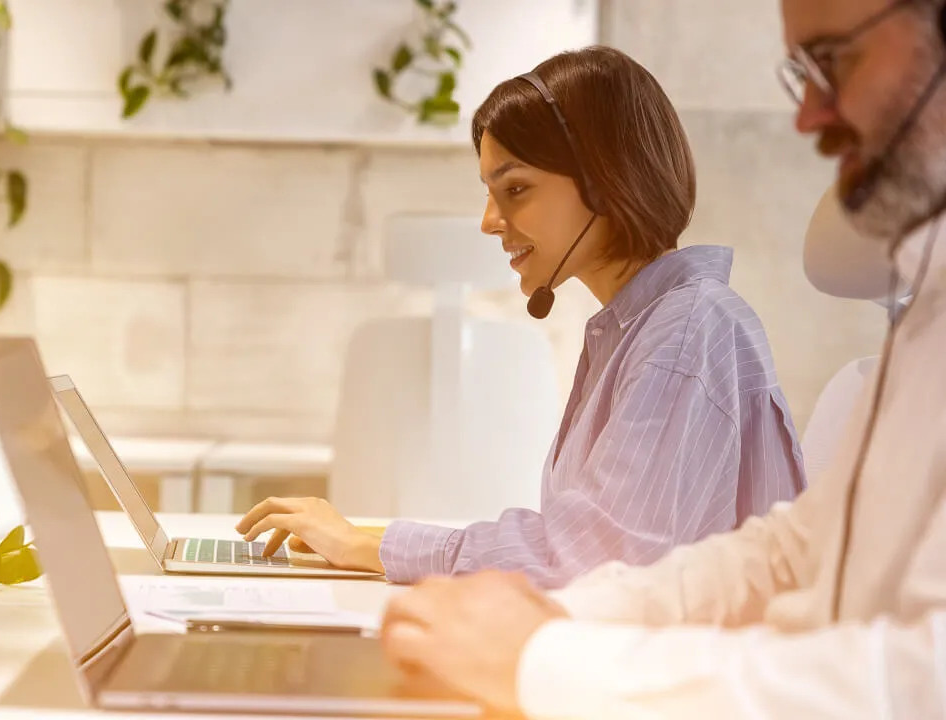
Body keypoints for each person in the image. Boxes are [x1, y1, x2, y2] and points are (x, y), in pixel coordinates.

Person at [378, 0, 946, 716]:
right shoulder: (926, 322)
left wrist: (545, 656)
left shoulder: (687, 332)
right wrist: (558, 626)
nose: (806, 115)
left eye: (835, 59)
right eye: (800, 72)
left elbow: (925, 677)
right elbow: (787, 553)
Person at [235, 46, 806, 589]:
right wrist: (366, 539)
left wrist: (371, 548)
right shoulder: (642, 327)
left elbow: (593, 561)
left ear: (606, 180)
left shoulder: (686, 333)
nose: (489, 220)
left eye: (515, 188)